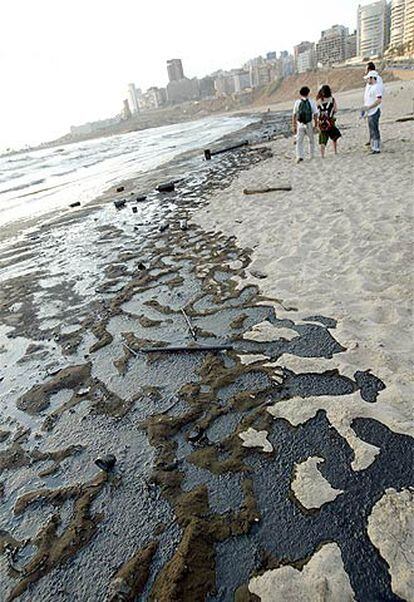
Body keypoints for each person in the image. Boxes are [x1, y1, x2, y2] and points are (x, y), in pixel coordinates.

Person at [292, 86, 318, 163]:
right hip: (309, 123)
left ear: (300, 94)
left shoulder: (297, 102)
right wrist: (316, 125)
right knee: (311, 140)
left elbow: (294, 115)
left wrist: (294, 126)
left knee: (299, 141)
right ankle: (312, 155)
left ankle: (299, 156)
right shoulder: (312, 102)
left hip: (300, 124)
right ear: (308, 93)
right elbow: (315, 114)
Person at [316, 85, 341, 158]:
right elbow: (336, 110)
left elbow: (316, 112)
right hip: (330, 121)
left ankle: (322, 155)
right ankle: (335, 151)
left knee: (322, 139)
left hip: (322, 122)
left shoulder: (319, 101)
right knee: (334, 136)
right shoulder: (332, 99)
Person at [363, 70, 383, 154]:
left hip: (374, 111)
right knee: (372, 129)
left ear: (372, 78)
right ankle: (374, 146)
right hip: (369, 111)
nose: (367, 80)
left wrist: (370, 107)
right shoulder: (370, 87)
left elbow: (379, 100)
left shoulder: (377, 87)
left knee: (375, 130)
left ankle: (376, 147)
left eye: (368, 79)